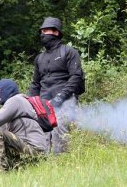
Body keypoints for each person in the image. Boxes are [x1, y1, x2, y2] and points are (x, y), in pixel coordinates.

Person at [28, 17, 85, 154]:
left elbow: (76, 77)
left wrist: (61, 97)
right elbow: (35, 83)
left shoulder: (69, 52)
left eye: (46, 30)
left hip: (66, 99)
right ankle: (44, 163)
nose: (42, 34)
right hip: (44, 101)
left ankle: (61, 163)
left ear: (56, 32)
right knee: (43, 132)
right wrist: (30, 102)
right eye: (41, 31)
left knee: (60, 129)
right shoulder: (39, 58)